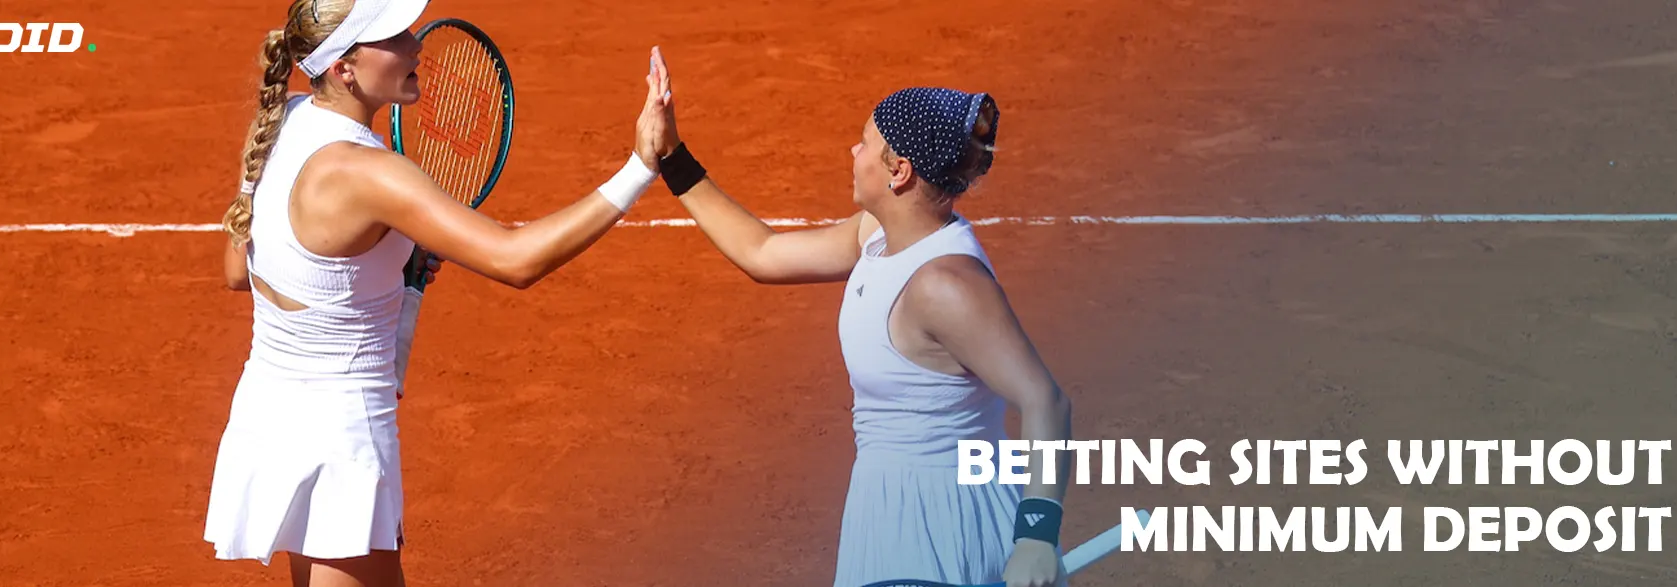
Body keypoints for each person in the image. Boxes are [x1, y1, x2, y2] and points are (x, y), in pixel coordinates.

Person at [202, 0, 678, 584]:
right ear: (344, 68)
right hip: (339, 434)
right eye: (393, 37)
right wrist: (640, 167)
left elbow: (238, 268)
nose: (415, 45)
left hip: (270, 409)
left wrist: (383, 267)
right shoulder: (371, 174)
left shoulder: (282, 122)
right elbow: (516, 260)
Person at [640, 51, 1075, 587]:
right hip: (884, 510)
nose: (853, 150)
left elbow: (1044, 400)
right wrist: (672, 156)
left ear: (898, 171)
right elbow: (763, 253)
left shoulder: (945, 285)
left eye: (865, 142)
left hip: (945, 528)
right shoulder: (876, 235)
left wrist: (1036, 536)